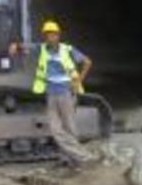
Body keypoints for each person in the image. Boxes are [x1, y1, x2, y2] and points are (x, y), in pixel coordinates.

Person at [8, 20, 97, 166]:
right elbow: (25, 47)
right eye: (47, 35)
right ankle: (82, 156)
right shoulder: (42, 49)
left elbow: (87, 62)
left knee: (70, 128)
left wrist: (78, 81)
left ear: (58, 35)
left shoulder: (67, 49)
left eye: (53, 34)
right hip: (51, 94)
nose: (50, 37)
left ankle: (70, 158)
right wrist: (15, 46)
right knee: (56, 130)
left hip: (66, 93)